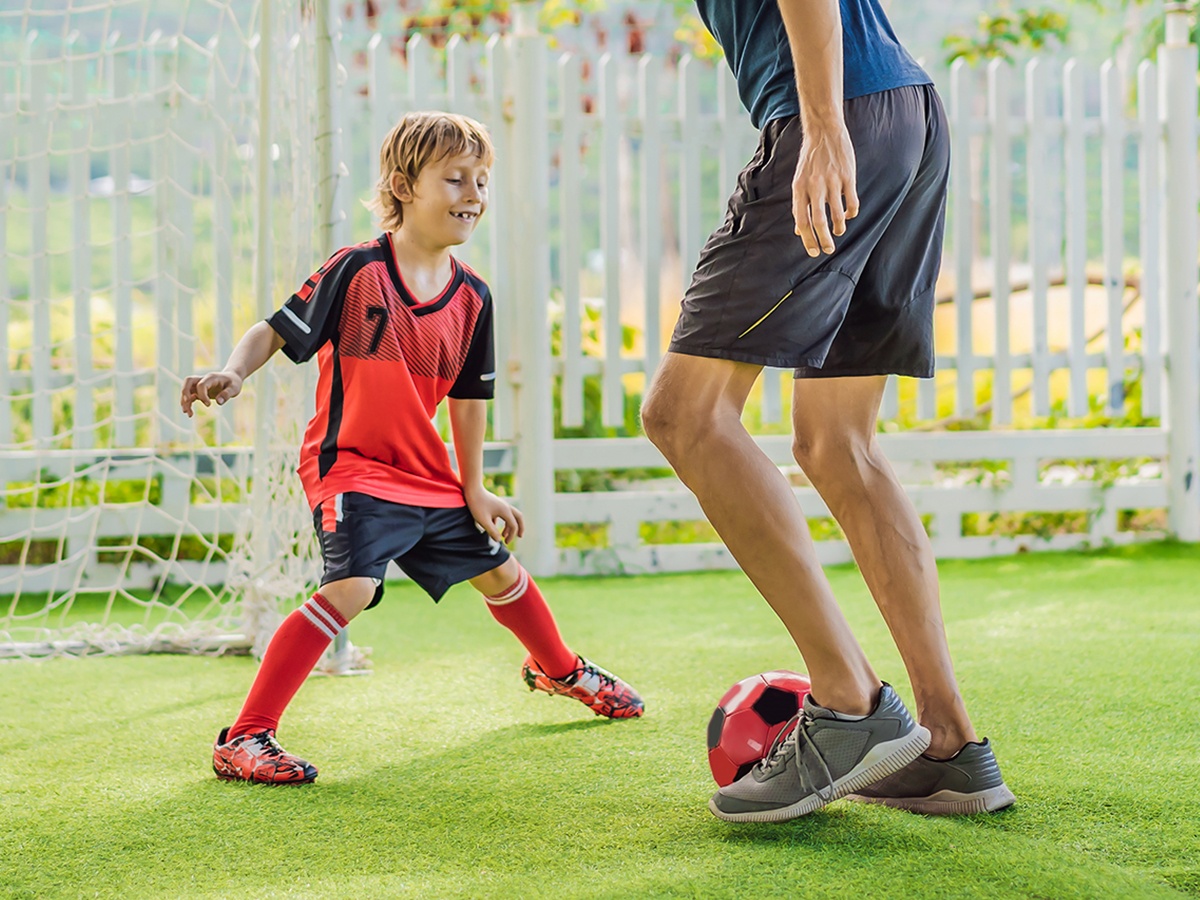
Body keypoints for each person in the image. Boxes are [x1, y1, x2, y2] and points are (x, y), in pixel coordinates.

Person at [182, 111, 644, 786]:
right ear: (402, 185)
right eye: (455, 178)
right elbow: (274, 329)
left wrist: (474, 487)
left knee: (501, 573)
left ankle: (558, 668)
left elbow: (468, 400)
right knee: (351, 587)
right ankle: (245, 738)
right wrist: (232, 371)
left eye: (482, 181)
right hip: (351, 465)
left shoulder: (474, 299)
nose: (473, 194)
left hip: (422, 474)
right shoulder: (356, 269)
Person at [640, 0, 1015, 821]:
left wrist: (819, 127)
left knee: (685, 415)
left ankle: (848, 702)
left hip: (839, 116)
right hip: (906, 118)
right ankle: (948, 746)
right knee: (838, 445)